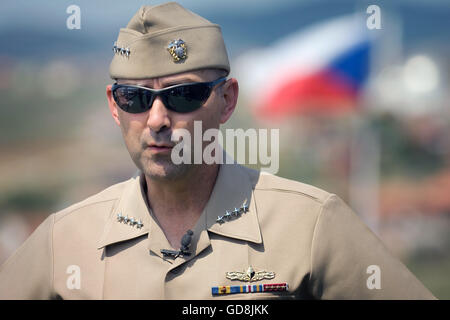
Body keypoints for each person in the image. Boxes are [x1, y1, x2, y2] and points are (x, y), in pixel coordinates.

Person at [0, 2, 436, 300]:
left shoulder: (312, 226)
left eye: (184, 96)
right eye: (134, 98)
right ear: (114, 107)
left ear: (227, 101)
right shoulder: (64, 240)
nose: (156, 120)